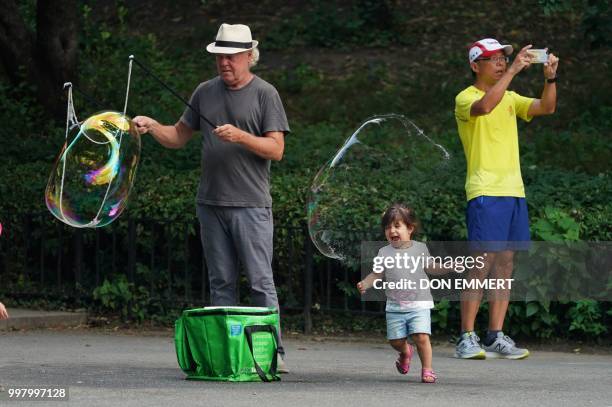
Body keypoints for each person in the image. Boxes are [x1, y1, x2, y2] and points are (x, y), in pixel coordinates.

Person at [133, 23, 290, 371]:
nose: (224, 63)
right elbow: (177, 136)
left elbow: (276, 149)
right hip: (210, 203)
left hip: (250, 204)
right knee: (221, 283)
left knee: (261, 282)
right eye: (220, 56)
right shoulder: (205, 91)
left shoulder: (266, 94)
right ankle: (226, 352)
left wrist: (241, 136)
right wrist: (151, 125)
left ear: (250, 56)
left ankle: (271, 354)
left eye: (231, 56)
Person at [454, 38, 559, 359]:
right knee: (482, 262)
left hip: (514, 191)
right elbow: (485, 107)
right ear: (475, 66)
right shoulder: (465, 97)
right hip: (485, 190)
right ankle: (465, 337)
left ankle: (494, 336)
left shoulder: (511, 97)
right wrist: (512, 71)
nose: (500, 62)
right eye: (493, 59)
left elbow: (546, 107)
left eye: (503, 58)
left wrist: (550, 78)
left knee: (505, 264)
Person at [357, 204, 454, 384]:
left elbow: (431, 267)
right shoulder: (384, 252)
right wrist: (366, 283)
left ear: (410, 229)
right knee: (395, 341)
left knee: (422, 337)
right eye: (387, 227)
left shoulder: (419, 249)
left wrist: (446, 267)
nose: (391, 230)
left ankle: (427, 370)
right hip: (395, 306)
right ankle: (405, 351)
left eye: (396, 226)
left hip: (419, 304)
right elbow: (377, 274)